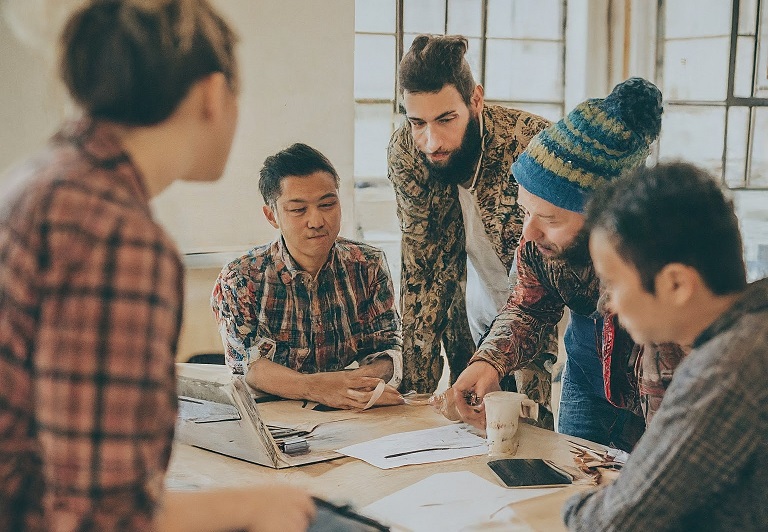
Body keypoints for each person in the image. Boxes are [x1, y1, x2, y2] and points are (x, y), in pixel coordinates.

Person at [0, 1, 315, 530]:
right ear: (214, 94)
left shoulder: (39, 182)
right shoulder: (115, 235)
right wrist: (253, 505)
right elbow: (95, 519)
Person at [453, 77, 685, 451]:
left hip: (661, 392)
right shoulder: (538, 244)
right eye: (525, 211)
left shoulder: (660, 267)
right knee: (576, 474)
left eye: (551, 218)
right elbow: (529, 306)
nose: (528, 233)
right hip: (586, 380)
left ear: (605, 217)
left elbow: (672, 441)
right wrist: (488, 362)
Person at [563, 162, 768, 531]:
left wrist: (571, 507)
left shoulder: (727, 368)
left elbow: (615, 523)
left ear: (676, 284)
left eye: (612, 283)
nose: (606, 304)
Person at [388, 34, 556, 424]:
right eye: (417, 122)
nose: (431, 142)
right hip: (476, 311)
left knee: (531, 428)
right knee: (469, 425)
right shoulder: (407, 153)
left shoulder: (530, 144)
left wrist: (520, 376)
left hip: (547, 310)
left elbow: (539, 283)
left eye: (446, 119)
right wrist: (412, 396)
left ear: (475, 100)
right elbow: (423, 268)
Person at [212, 143, 404, 410]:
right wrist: (321, 388)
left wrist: (348, 385)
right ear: (272, 216)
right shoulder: (241, 278)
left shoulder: (367, 265)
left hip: (347, 410)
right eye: (298, 210)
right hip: (272, 414)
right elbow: (247, 364)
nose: (316, 221)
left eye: (327, 204)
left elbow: (387, 349)